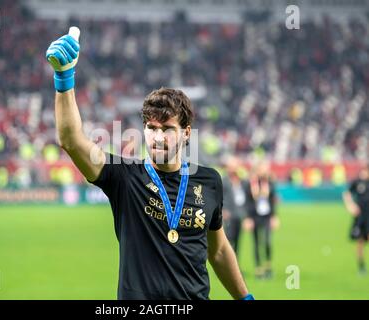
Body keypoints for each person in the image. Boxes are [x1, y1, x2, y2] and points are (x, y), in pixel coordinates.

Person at [46, 27, 253, 300]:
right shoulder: (124, 177)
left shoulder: (210, 181)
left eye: (166, 129)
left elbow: (217, 249)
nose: (157, 137)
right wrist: (64, 79)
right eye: (150, 128)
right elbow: (72, 140)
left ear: (186, 133)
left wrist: (245, 298)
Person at [243, 162, 279, 279]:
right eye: (262, 169)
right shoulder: (251, 184)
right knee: (256, 242)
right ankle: (258, 268)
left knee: (268, 241)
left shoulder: (270, 183)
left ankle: (268, 266)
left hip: (267, 216)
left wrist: (274, 216)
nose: (264, 171)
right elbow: (247, 202)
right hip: (255, 216)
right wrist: (248, 218)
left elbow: (273, 200)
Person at [343, 164, 369, 275]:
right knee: (360, 241)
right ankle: (361, 266)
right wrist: (350, 205)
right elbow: (346, 194)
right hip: (360, 217)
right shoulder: (357, 182)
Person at [222, 156, 247, 258]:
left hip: (239, 215)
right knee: (228, 240)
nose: (233, 169)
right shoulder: (224, 180)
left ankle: (236, 263)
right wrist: (223, 210)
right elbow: (219, 197)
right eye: (231, 166)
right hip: (228, 215)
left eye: (235, 166)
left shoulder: (242, 181)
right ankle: (226, 264)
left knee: (237, 241)